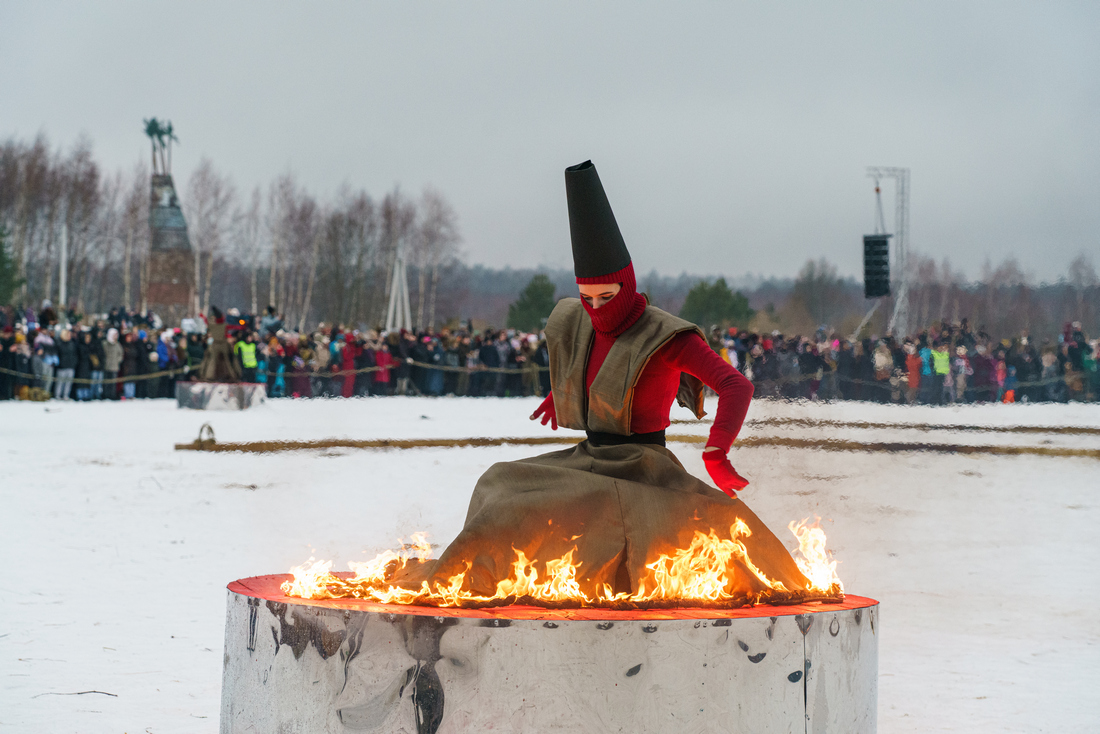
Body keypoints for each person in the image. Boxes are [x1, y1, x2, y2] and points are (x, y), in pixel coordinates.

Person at [397, 161, 816, 601]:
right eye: (587, 297)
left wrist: (716, 450)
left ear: (627, 285)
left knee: (534, 508)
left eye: (607, 296)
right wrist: (564, 396)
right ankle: (478, 580)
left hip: (642, 467)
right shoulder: (579, 324)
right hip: (591, 457)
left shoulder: (665, 336)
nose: (596, 307)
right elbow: (595, 369)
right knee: (499, 483)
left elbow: (736, 385)